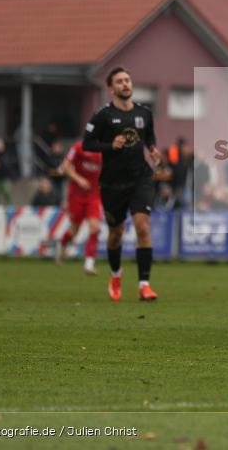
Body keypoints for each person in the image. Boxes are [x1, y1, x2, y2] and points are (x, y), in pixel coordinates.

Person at [83, 66, 162, 302]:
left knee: (142, 227)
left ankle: (144, 285)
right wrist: (109, 145)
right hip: (112, 183)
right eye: (120, 81)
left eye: (128, 80)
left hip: (140, 178)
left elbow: (149, 136)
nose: (125, 84)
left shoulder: (144, 113)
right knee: (115, 234)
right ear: (111, 88)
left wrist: (152, 149)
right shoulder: (102, 115)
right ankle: (116, 275)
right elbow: (88, 144)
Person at [57, 140, 103, 274]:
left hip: (94, 195)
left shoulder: (105, 150)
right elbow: (65, 166)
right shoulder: (79, 147)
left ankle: (89, 264)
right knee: (74, 230)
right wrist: (79, 179)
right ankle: (62, 244)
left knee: (95, 227)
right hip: (76, 195)